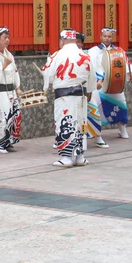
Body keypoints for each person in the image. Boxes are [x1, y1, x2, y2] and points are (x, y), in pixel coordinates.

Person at [42, 30, 96, 167]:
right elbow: (92, 77)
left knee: (65, 123)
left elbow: (47, 74)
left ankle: (66, 157)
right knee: (80, 124)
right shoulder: (85, 55)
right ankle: (80, 156)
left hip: (64, 97)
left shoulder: (57, 55)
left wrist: (46, 86)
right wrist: (89, 91)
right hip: (81, 96)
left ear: (62, 40)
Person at [87, 28, 132, 139]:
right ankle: (95, 132)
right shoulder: (93, 51)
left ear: (112, 38)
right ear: (100, 37)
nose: (107, 39)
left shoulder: (118, 50)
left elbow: (126, 62)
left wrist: (130, 74)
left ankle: (122, 129)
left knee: (121, 106)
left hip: (114, 83)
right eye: (105, 36)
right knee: (95, 108)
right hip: (99, 84)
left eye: (109, 36)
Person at [76, 32, 107, 148]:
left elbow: (98, 68)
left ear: (82, 43)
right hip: (71, 91)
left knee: (94, 114)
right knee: (69, 117)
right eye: (74, 41)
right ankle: (62, 140)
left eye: (78, 41)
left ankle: (98, 137)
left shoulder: (88, 55)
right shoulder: (64, 56)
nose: (76, 44)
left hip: (87, 89)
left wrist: (99, 81)